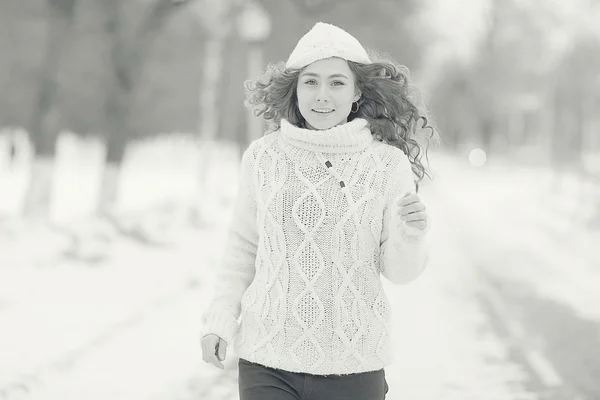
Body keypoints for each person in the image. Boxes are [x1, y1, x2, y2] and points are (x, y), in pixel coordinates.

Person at [200, 21, 439, 400]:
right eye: (310, 81)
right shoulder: (264, 158)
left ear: (358, 91)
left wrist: (410, 234)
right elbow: (243, 248)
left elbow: (400, 272)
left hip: (354, 362)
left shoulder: (386, 166)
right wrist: (220, 320)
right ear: (294, 89)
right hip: (267, 360)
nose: (322, 95)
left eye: (337, 82)